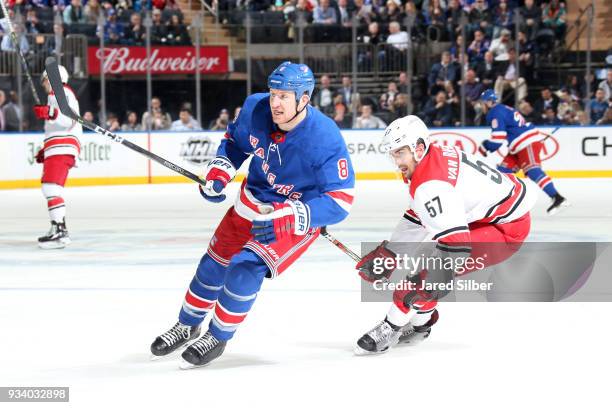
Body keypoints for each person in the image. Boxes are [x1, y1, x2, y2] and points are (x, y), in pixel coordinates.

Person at [150, 61, 355, 368]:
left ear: (304, 99)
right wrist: (220, 172)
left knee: (246, 267)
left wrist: (293, 215)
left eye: (284, 96)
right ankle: (187, 324)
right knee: (212, 265)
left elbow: (340, 201)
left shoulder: (324, 137)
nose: (275, 102)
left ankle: (217, 336)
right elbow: (235, 143)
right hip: (251, 200)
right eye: (273, 93)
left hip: (291, 215)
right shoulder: (254, 108)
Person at [354, 115, 538, 355]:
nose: (396, 161)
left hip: (505, 231)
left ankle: (392, 327)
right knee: (426, 272)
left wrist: (426, 283)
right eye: (393, 154)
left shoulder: (430, 185)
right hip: (499, 217)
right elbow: (418, 215)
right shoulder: (433, 156)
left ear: (418, 148)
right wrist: (390, 255)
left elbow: (456, 249)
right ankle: (422, 323)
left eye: (400, 153)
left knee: (424, 275)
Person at [478, 89, 568, 215]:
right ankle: (500, 204)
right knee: (503, 173)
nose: (481, 106)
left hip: (526, 143)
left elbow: (497, 140)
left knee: (532, 170)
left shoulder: (495, 113)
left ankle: (558, 198)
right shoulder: (503, 108)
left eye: (482, 103)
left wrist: (485, 145)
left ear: (488, 102)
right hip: (517, 146)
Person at [33, 65, 82, 249]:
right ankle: (58, 228)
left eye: (45, 79)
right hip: (59, 147)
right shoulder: (56, 94)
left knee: (51, 188)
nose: (43, 84)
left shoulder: (61, 92)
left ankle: (60, 231)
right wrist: (46, 150)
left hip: (63, 146)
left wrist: (48, 112)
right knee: (50, 188)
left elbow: (67, 119)